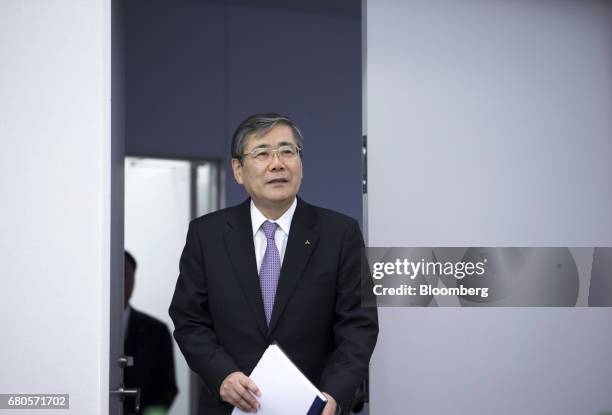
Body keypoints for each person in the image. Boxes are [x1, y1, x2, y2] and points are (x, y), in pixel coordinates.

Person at [169, 113, 378, 415]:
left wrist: (334, 394)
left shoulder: (340, 233)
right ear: (238, 170)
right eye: (262, 153)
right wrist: (222, 375)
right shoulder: (207, 235)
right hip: (230, 406)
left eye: (287, 151)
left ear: (300, 165)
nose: (277, 163)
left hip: (314, 408)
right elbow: (189, 320)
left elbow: (359, 325)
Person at [124, 251, 178, 415]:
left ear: (133, 281)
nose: (118, 280)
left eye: (125, 273)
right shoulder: (84, 331)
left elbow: (166, 388)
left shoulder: (157, 331)